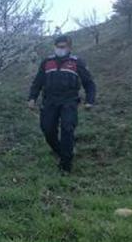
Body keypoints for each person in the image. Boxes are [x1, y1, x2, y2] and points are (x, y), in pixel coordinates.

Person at [28, 35, 96, 173]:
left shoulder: (77, 63)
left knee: (67, 129)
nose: (60, 49)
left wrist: (90, 100)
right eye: (57, 46)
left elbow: (89, 83)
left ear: (69, 47)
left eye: (63, 47)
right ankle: (60, 151)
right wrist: (32, 98)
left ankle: (66, 165)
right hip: (50, 101)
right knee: (47, 129)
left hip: (69, 101)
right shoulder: (47, 62)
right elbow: (38, 82)